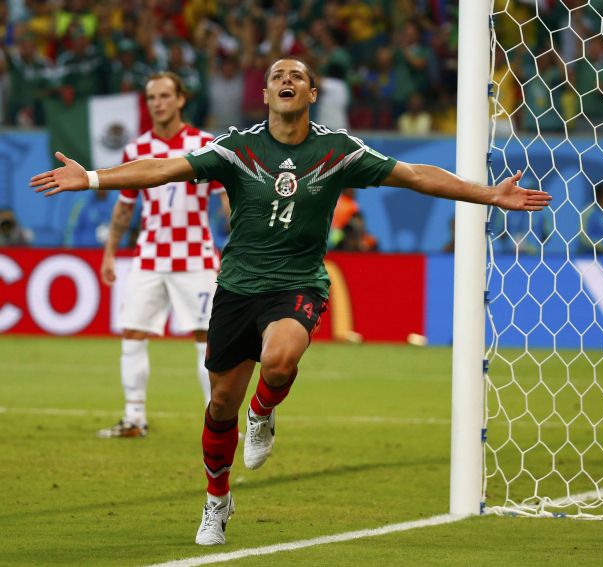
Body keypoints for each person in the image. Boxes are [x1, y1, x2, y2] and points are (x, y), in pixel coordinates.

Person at [30, 56, 551, 546]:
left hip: (297, 283)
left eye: (297, 76)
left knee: (279, 361)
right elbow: (163, 169)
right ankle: (217, 500)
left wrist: (488, 193)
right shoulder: (236, 148)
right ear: (265, 94)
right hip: (238, 286)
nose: (287, 80)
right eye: (278, 75)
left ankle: (263, 412)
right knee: (219, 405)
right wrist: (92, 178)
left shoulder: (338, 150)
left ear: (311, 93)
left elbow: (413, 175)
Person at [96, 71, 229, 439]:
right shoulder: (136, 149)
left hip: (196, 257)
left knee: (207, 338)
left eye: (165, 95)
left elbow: (227, 202)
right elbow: (125, 206)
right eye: (152, 97)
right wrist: (110, 253)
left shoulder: (204, 145)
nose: (158, 103)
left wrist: (237, 247)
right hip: (149, 256)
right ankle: (134, 418)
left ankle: (218, 420)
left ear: (181, 99)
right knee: (132, 332)